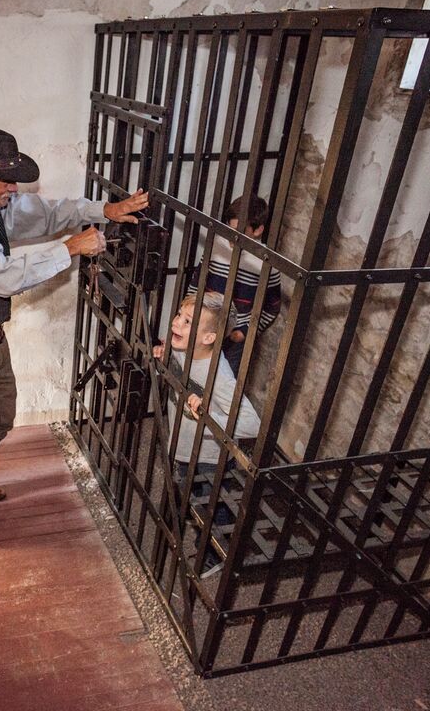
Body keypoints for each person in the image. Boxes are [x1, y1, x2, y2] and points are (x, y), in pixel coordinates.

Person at [0, 127, 149, 544]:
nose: (14, 188)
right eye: (8, 179)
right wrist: (70, 249)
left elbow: (45, 213)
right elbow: (3, 276)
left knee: (2, 419)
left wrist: (106, 210)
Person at [153, 292, 261, 577]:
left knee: (211, 505)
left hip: (210, 455)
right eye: (179, 315)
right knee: (188, 490)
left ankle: (216, 552)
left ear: (209, 338)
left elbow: (252, 424)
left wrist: (210, 414)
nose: (176, 323)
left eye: (188, 321)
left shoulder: (220, 375)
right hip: (186, 443)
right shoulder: (180, 349)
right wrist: (164, 359)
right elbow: (175, 372)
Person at [193, 194, 282, 375]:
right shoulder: (217, 246)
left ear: (258, 230)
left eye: (239, 230)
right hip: (203, 327)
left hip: (234, 340)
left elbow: (272, 307)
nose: (232, 236)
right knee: (192, 377)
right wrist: (190, 315)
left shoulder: (266, 263)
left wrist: (245, 331)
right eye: (229, 228)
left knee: (222, 386)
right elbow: (196, 284)